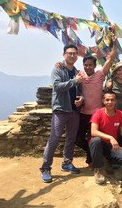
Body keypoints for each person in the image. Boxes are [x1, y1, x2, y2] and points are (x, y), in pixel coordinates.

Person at [55, 37, 118, 168]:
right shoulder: (80, 75)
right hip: (83, 113)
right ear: (83, 65)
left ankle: (92, 161)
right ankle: (92, 155)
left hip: (96, 115)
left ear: (95, 66)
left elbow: (110, 59)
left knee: (94, 139)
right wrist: (59, 64)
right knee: (78, 138)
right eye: (86, 65)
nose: (88, 67)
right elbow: (67, 69)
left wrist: (114, 45)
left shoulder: (100, 75)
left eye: (90, 65)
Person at [40, 44, 84, 183]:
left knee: (71, 138)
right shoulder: (57, 69)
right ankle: (46, 168)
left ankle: (67, 163)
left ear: (77, 56)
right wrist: (74, 81)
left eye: (74, 53)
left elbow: (80, 90)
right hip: (60, 109)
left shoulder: (78, 72)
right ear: (64, 54)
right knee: (54, 138)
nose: (72, 55)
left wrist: (81, 99)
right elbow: (57, 87)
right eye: (69, 53)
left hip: (74, 110)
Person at [90, 90, 122, 185]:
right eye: (107, 100)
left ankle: (110, 163)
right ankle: (98, 170)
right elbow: (93, 131)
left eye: (112, 100)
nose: (110, 102)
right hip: (99, 144)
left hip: (112, 146)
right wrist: (110, 138)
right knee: (96, 141)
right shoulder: (98, 113)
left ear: (116, 101)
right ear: (103, 101)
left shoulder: (120, 114)